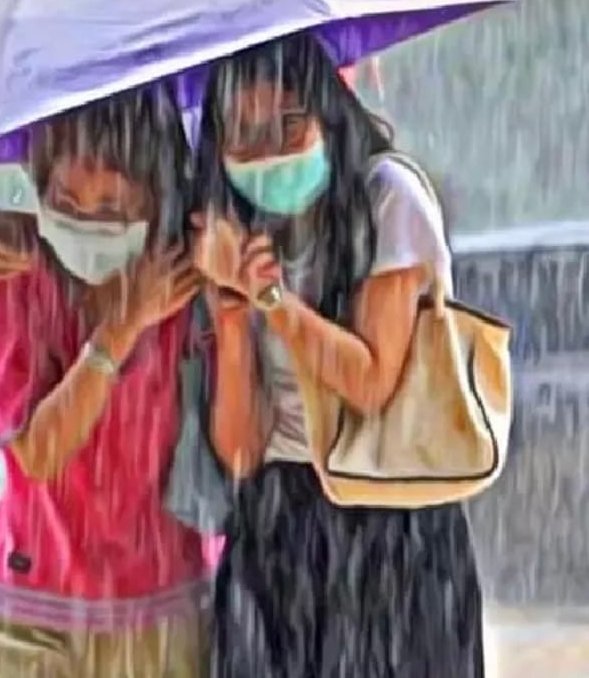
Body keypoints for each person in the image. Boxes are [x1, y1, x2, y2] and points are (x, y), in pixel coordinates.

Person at [193, 33, 485, 677]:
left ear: (329, 110)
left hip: (393, 526)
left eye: (287, 124)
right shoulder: (236, 231)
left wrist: (271, 297)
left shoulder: (388, 198)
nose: (265, 151)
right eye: (242, 133)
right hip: (278, 531)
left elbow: (371, 379)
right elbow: (242, 451)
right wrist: (232, 313)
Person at [0, 86, 209, 677]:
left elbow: (237, 444)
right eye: (65, 203)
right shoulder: (14, 272)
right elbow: (39, 452)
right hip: (30, 613)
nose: (84, 224)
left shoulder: (190, 283)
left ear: (157, 202)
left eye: (110, 210)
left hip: (160, 615)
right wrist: (121, 328)